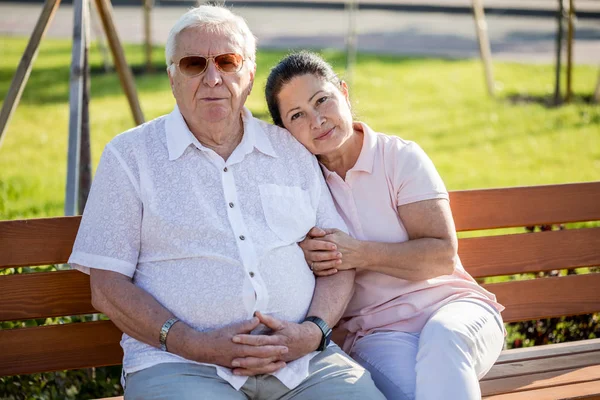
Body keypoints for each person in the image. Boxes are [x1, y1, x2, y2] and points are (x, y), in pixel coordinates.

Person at [68, 8, 385, 400]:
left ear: (249, 75)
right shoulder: (130, 156)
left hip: (302, 364)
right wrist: (192, 343)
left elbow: (337, 260)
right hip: (180, 366)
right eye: (193, 64)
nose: (212, 78)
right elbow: (107, 286)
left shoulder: (291, 150)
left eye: (227, 61)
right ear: (172, 78)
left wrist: (312, 332)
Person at [265, 51, 506, 400]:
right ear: (285, 131)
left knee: (443, 341)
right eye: (297, 115)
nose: (317, 120)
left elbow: (441, 257)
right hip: (377, 333)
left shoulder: (399, 158)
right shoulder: (298, 187)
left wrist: (357, 253)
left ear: (343, 93)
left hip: (454, 308)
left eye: (322, 100)